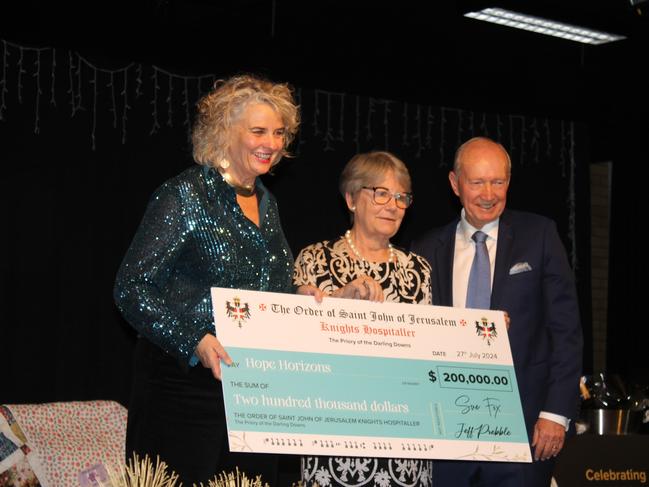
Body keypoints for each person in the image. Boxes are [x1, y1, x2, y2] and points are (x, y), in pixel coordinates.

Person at [113, 74, 300, 485]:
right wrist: (194, 339)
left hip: (252, 392)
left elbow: (271, 290)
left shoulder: (268, 205)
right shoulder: (183, 195)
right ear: (224, 132)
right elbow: (131, 288)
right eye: (258, 130)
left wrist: (311, 296)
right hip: (180, 388)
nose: (271, 142)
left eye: (279, 132)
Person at [411, 137, 583, 487]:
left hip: (524, 427)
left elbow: (566, 332)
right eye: (477, 182)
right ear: (455, 184)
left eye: (498, 181)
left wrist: (555, 413)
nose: (488, 194)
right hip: (447, 429)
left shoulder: (541, 236)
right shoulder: (425, 249)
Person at [294, 151, 434, 487]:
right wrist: (341, 298)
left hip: (405, 438)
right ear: (351, 199)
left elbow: (429, 351)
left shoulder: (419, 270)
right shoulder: (315, 259)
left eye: (401, 197)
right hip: (333, 435)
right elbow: (297, 337)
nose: (393, 205)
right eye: (381, 193)